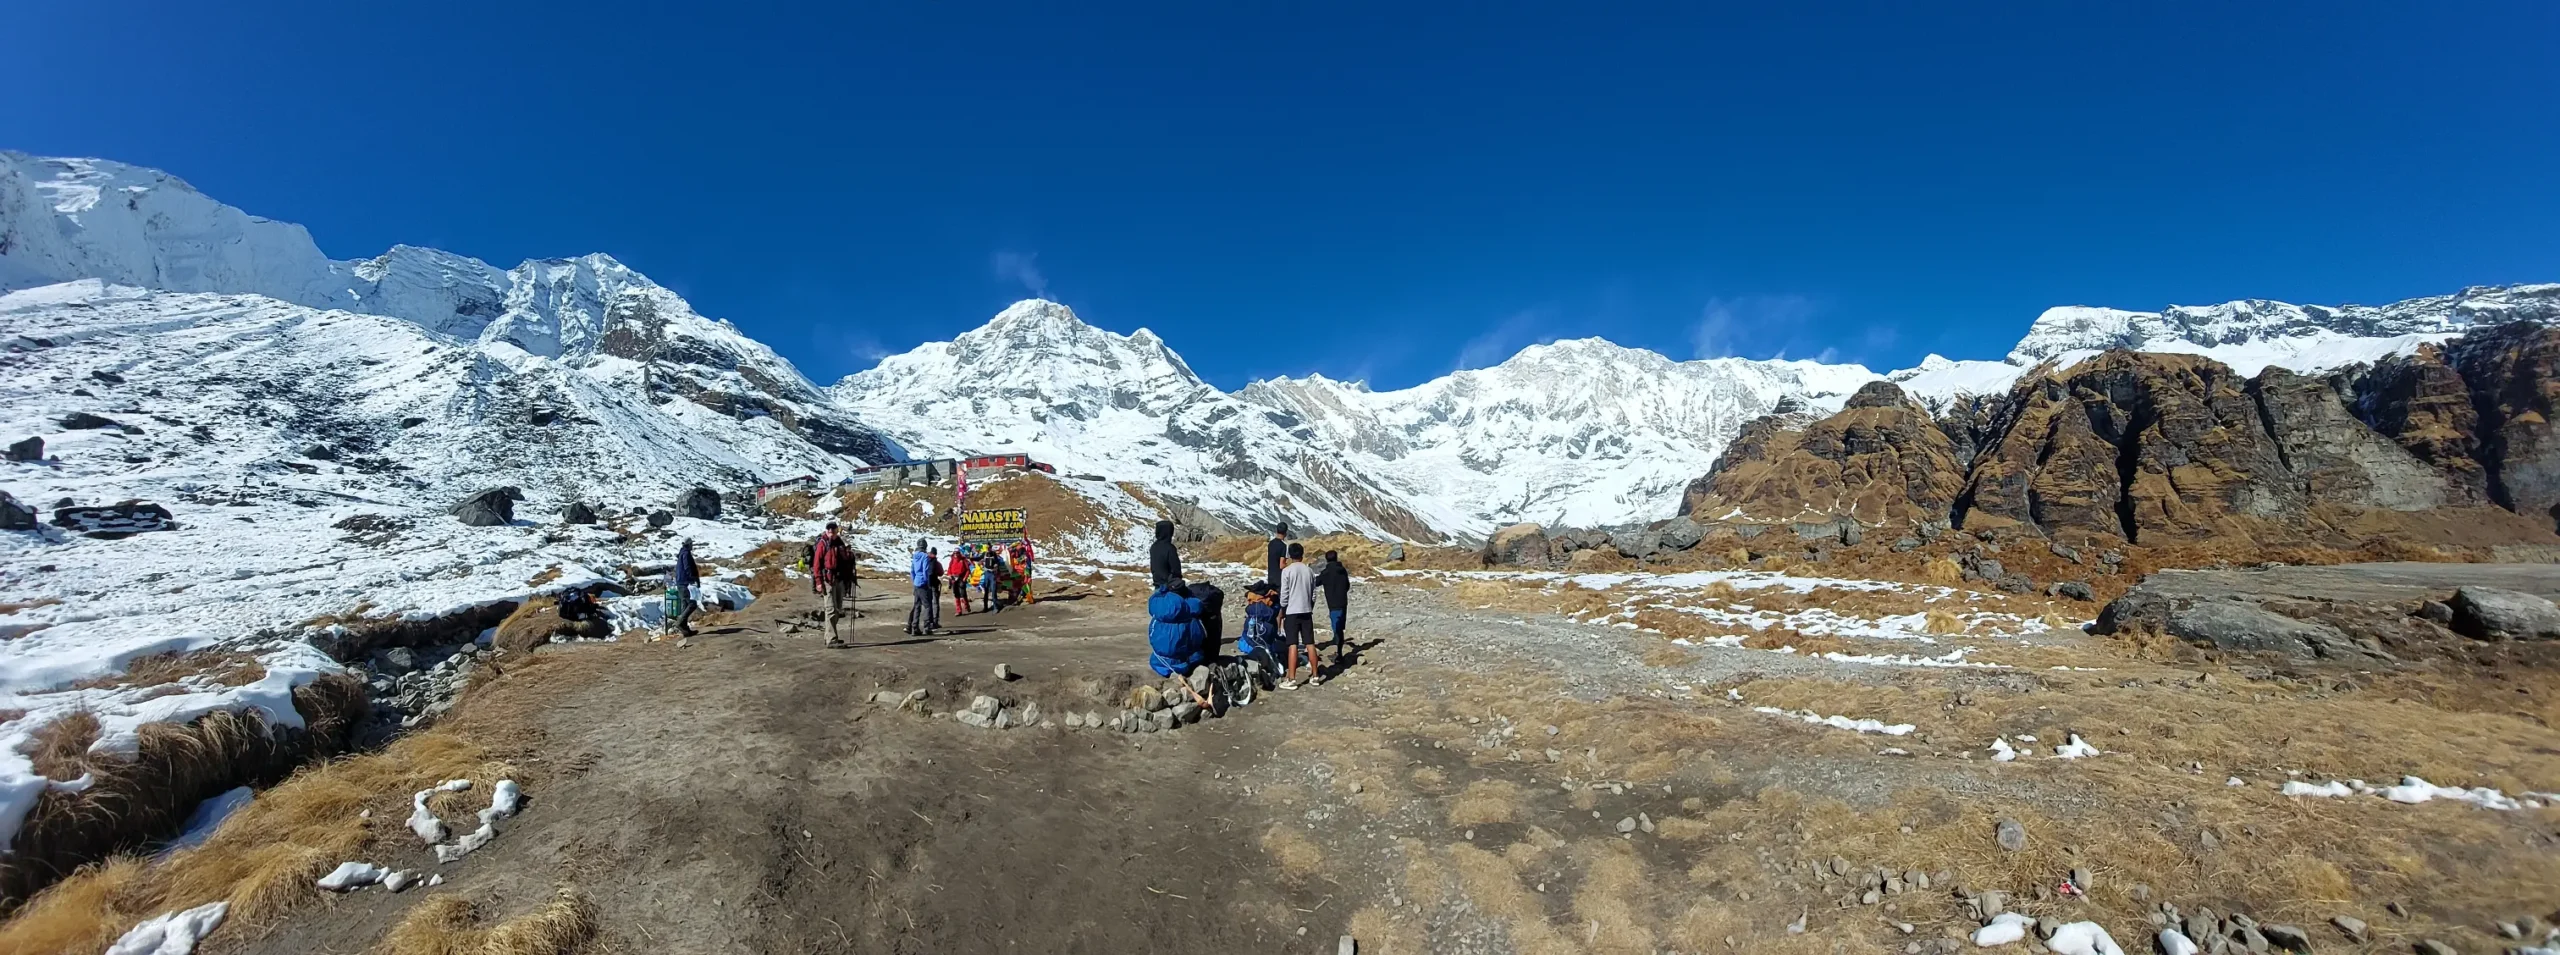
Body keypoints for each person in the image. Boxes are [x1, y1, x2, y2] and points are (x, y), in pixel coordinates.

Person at [1146, 578, 1216, 711]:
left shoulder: (1158, 606)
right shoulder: (1190, 609)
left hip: (1159, 660)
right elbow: (1197, 639)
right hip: (1184, 662)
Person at [1278, 541, 1317, 688]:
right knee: (1310, 643)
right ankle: (1315, 675)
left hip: (1292, 611)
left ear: (1290, 555)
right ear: (1302, 554)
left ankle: (1292, 678)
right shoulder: (1309, 571)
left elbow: (1284, 595)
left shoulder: (1287, 571)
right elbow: (1314, 594)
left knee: (1292, 644)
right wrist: (1310, 605)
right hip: (1306, 610)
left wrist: (1283, 607)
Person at [813, 522, 859, 647]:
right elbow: (816, 564)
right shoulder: (823, 544)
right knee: (830, 609)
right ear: (826, 531)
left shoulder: (839, 543)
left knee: (837, 609)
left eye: (833, 529)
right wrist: (818, 582)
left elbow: (844, 559)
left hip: (839, 580)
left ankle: (829, 636)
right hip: (828, 580)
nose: (831, 531)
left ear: (837, 530)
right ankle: (831, 640)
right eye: (829, 529)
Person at [1315, 549, 1352, 665]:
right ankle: (1339, 653)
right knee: (1340, 629)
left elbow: (1316, 582)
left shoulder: (1326, 573)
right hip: (1343, 602)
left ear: (1326, 560)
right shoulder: (1343, 571)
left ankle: (1339, 656)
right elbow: (1347, 585)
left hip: (1333, 604)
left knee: (1336, 629)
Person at [667, 538, 701, 639]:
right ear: (688, 544)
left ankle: (685, 630)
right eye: (691, 544)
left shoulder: (682, 552)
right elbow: (687, 567)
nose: (692, 545)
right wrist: (693, 579)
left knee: (684, 604)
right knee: (692, 603)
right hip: (685, 582)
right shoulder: (686, 553)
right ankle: (680, 622)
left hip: (681, 582)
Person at [906, 538, 939, 636]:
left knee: (917, 605)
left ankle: (914, 627)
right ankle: (926, 627)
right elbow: (925, 570)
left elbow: (912, 570)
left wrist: (914, 580)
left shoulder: (915, 556)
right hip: (923, 583)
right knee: (927, 606)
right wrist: (926, 581)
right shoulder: (925, 556)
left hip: (916, 583)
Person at [1148, 519, 1182, 590]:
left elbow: (1153, 567)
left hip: (1157, 585)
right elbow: (1176, 569)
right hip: (1170, 586)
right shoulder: (1169, 548)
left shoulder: (1154, 547)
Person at [947, 548, 972, 616]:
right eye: (955, 553)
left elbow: (967, 570)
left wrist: (965, 578)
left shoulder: (963, 560)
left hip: (961, 577)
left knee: (963, 594)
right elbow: (949, 569)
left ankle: (966, 606)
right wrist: (949, 575)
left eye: (957, 553)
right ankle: (959, 610)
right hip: (954, 578)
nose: (956, 554)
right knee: (956, 594)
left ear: (959, 553)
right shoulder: (952, 560)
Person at [1264, 522, 1289, 591]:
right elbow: (1281, 565)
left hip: (1270, 576)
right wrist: (1289, 565)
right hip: (1279, 579)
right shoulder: (1283, 546)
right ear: (1285, 533)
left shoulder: (1271, 543)